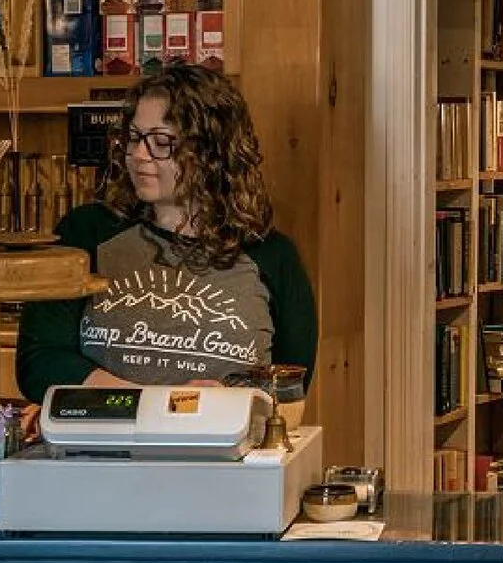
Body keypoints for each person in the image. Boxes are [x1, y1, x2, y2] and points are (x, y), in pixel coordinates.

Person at [17, 63, 317, 407]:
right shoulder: (86, 232)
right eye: (134, 138)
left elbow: (291, 386)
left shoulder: (272, 255)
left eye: (161, 142)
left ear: (212, 152)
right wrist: (157, 403)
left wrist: (226, 401)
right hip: (104, 439)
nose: (138, 155)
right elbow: (39, 362)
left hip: (217, 441)